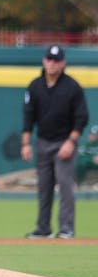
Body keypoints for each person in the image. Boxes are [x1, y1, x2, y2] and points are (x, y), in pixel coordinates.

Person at [22, 44, 89, 239]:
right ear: (44, 61)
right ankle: (43, 228)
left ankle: (66, 228)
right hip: (43, 141)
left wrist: (71, 142)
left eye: (56, 60)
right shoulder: (35, 86)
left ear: (63, 63)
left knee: (65, 185)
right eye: (49, 59)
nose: (52, 63)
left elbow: (81, 117)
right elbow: (28, 117)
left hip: (64, 142)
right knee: (44, 186)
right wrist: (26, 143)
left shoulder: (72, 87)